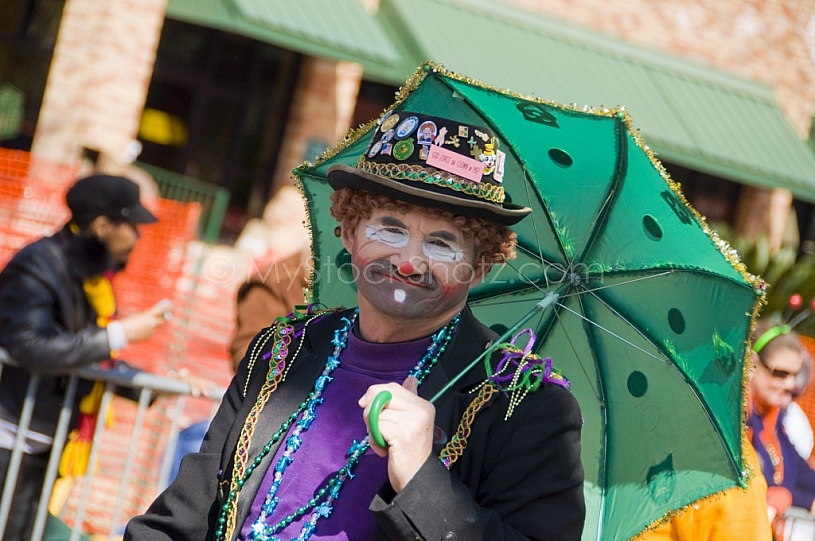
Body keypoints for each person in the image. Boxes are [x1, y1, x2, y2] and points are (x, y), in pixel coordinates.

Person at [125, 110, 585, 540]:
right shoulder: (283, 347)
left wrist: (422, 479)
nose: (408, 263)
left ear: (480, 266)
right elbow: (182, 518)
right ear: (348, 233)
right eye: (389, 228)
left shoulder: (526, 406)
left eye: (443, 244)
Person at [0, 173, 171, 541]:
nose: (138, 237)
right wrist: (120, 334)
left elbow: (77, 351)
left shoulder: (87, 276)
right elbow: (30, 346)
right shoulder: (37, 265)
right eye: (133, 226)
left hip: (44, 440)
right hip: (9, 438)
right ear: (103, 227)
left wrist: (145, 387)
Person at [748, 318, 815, 535]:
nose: (789, 384)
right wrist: (784, 496)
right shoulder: (739, 421)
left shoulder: (775, 424)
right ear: (752, 364)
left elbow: (801, 475)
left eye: (794, 376)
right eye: (780, 373)